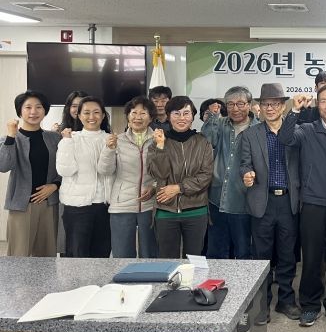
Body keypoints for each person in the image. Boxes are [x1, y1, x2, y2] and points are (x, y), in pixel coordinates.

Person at [279, 85, 326, 328]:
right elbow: (284, 138)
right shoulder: (307, 129)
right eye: (323, 101)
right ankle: (309, 305)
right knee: (311, 257)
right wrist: (294, 111)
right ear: (317, 104)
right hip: (312, 201)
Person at [240, 83, 301, 324]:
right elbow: (244, 164)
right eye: (266, 104)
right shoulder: (250, 134)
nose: (270, 108)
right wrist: (246, 174)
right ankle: (262, 304)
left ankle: (286, 300)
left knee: (287, 255)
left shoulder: (296, 132)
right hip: (261, 201)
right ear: (259, 107)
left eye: (275, 104)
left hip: (288, 201)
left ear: (283, 106)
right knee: (261, 256)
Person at [147, 96, 213, 258]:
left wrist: (179, 188)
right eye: (176, 113)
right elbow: (160, 174)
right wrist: (160, 147)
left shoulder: (203, 142)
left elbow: (206, 176)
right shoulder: (157, 142)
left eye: (186, 113)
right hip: (165, 210)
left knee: (194, 260)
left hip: (196, 210)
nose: (181, 118)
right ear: (168, 116)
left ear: (192, 117)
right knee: (167, 260)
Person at [0, 91, 62, 256]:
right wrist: (11, 136)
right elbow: (4, 166)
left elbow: (64, 169)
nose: (33, 112)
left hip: (49, 204)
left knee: (46, 257)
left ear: (44, 111)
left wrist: (55, 185)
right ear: (20, 111)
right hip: (21, 205)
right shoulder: (9, 139)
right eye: (28, 107)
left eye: (38, 107)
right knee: (18, 256)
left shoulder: (54, 138)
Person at [97, 96, 158, 259]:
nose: (138, 117)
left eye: (143, 113)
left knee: (150, 254)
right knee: (122, 255)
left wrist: (155, 187)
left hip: (149, 205)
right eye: (133, 113)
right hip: (121, 204)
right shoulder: (117, 140)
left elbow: (165, 171)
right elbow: (105, 170)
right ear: (128, 116)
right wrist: (109, 149)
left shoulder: (158, 140)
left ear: (151, 118)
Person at [201, 86, 258, 260]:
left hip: (243, 201)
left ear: (249, 105)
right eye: (231, 104)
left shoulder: (258, 128)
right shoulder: (220, 124)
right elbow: (206, 142)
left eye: (240, 103)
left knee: (243, 253)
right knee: (216, 252)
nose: (235, 108)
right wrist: (212, 117)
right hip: (217, 198)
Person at [56, 96, 113, 258]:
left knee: (101, 255)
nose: (91, 117)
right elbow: (65, 171)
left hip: (104, 206)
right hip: (77, 207)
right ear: (79, 116)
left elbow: (110, 170)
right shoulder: (71, 139)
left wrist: (110, 148)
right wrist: (66, 142)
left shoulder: (110, 139)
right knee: (77, 255)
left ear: (103, 115)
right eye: (86, 112)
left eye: (96, 112)